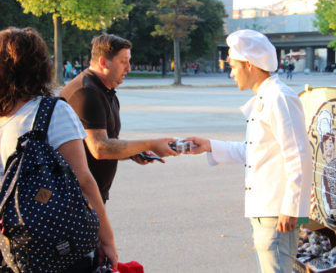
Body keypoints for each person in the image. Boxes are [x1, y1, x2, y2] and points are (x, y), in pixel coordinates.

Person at [185, 29, 312, 273]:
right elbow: (255, 152)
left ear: (250, 65)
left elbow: (298, 156)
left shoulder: (279, 98)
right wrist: (209, 145)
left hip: (277, 214)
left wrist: (291, 208)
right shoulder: (265, 97)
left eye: (233, 66)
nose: (230, 73)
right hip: (265, 211)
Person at [0, 27, 117, 271]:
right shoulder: (51, 112)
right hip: (54, 246)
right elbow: (83, 180)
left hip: (10, 245)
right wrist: (107, 239)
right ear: (40, 66)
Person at [60, 33, 178, 203]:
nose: (129, 68)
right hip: (76, 198)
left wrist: (132, 152)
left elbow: (109, 143)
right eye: (123, 62)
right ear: (103, 62)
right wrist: (151, 143)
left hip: (91, 196)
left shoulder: (105, 91)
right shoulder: (86, 92)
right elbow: (100, 148)